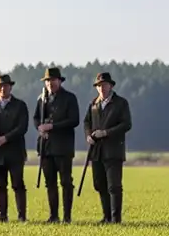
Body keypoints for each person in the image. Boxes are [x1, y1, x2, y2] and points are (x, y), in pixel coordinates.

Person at [82, 72, 132, 224]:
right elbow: (86, 122)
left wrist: (106, 133)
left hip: (113, 151)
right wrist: (88, 135)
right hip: (97, 151)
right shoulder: (93, 104)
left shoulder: (121, 103)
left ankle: (116, 219)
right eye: (99, 86)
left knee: (114, 186)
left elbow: (126, 124)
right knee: (99, 185)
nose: (102, 88)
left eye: (104, 85)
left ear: (111, 86)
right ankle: (106, 217)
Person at [33, 67, 80, 223]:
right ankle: (53, 215)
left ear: (59, 81)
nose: (50, 83)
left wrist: (52, 127)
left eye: (53, 80)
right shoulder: (42, 99)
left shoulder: (69, 98)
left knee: (66, 182)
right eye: (47, 81)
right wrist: (40, 128)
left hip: (63, 147)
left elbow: (74, 120)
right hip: (46, 147)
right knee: (50, 183)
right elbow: (36, 119)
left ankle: (67, 216)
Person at [0, 74, 30, 222]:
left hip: (15, 152)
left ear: (11, 87)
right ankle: (2, 215)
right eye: (0, 86)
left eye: (5, 86)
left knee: (18, 184)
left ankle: (22, 216)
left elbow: (22, 127)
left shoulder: (20, 105)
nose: (3, 88)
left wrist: (6, 138)